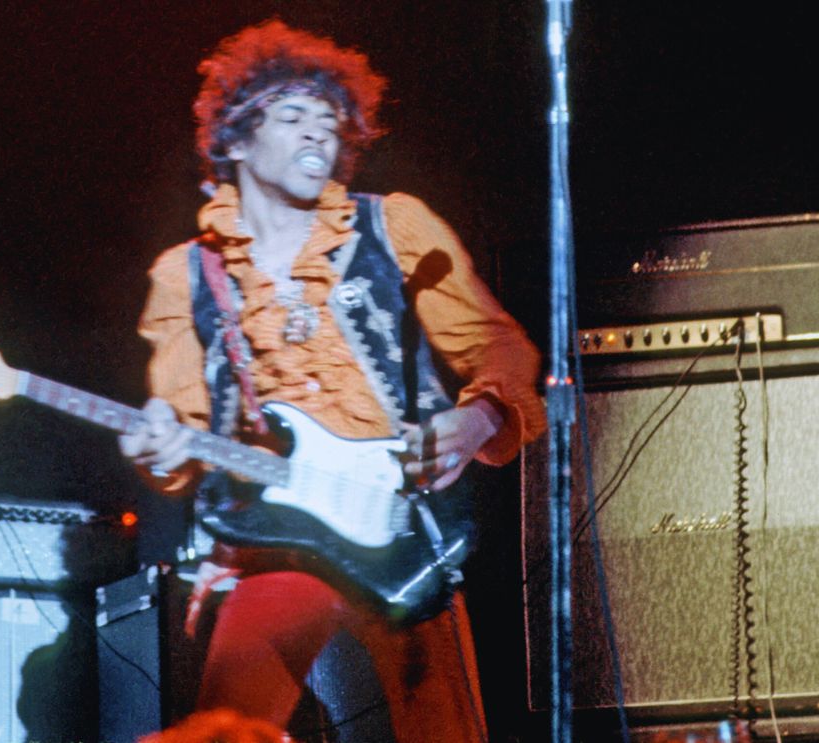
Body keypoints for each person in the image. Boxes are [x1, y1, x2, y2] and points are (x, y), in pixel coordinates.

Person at [120, 20, 545, 743]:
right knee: (224, 732)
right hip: (273, 544)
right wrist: (160, 449)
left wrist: (475, 420)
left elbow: (499, 349)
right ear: (235, 139)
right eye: (291, 117)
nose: (317, 134)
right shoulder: (185, 273)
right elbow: (183, 429)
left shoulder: (395, 226)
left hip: (401, 534)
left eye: (329, 122)